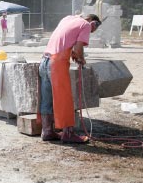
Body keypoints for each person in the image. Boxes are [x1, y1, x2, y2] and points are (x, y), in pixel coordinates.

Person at [39, 13, 101, 143]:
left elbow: (63, 40)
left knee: (47, 98)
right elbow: (78, 48)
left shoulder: (67, 18)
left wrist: (72, 53)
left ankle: (47, 131)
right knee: (64, 98)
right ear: (91, 21)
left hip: (44, 60)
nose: (91, 31)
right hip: (57, 63)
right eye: (93, 29)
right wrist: (80, 58)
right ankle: (68, 133)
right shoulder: (85, 25)